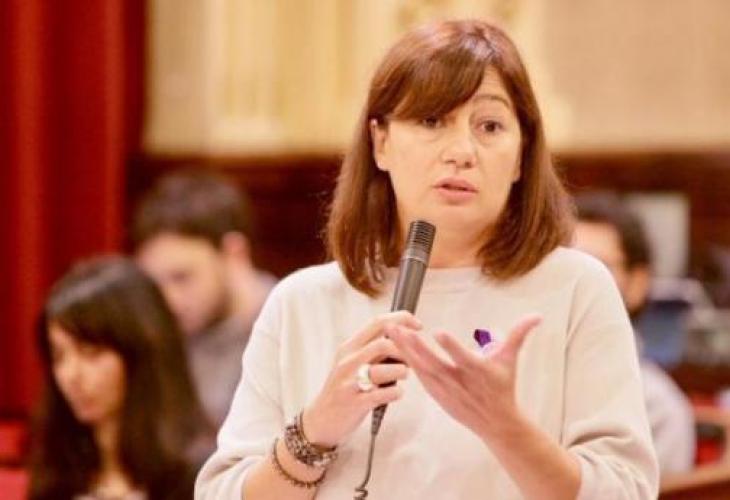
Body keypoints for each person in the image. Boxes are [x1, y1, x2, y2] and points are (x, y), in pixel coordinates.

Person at [196, 19, 658, 499]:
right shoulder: (302, 302)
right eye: (432, 121)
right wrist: (315, 431)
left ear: (521, 155)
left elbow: (627, 491)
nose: (461, 152)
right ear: (380, 142)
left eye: (490, 126)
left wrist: (506, 429)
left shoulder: (577, 287)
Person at [29, 256, 210, 500]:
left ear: (140, 354)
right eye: (59, 355)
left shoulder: (199, 474)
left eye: (91, 353)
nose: (71, 374)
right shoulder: (57, 473)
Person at [132, 169, 276, 427]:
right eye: (156, 284)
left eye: (182, 277)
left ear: (234, 254)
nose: (169, 300)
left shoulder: (288, 327)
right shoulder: (162, 333)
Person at [573, 192, 696, 475]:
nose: (575, 281)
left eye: (596, 267)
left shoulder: (657, 407)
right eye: (564, 263)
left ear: (638, 282)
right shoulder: (522, 375)